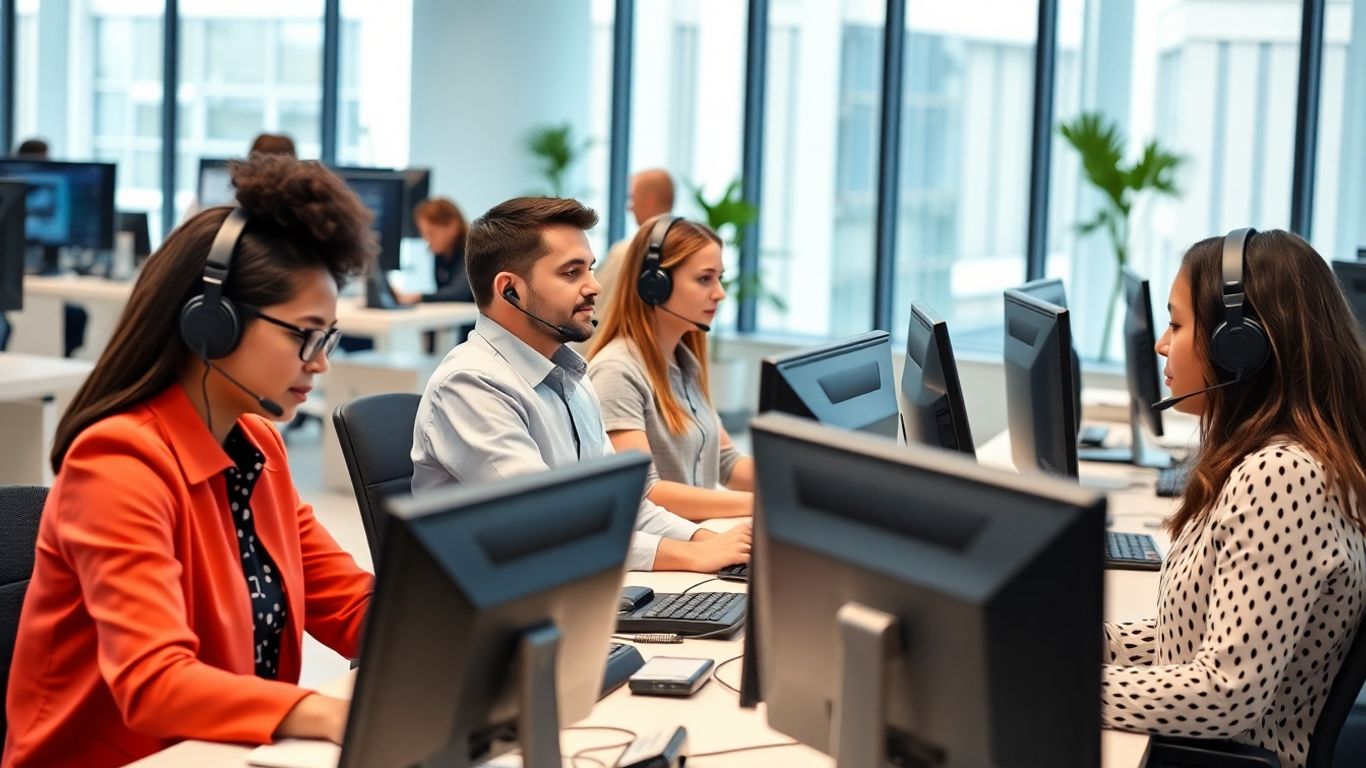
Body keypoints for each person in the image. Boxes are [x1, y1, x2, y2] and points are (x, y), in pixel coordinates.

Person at [4, 155, 376, 767]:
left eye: (328, 338)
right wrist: (330, 713)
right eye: (304, 334)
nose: (320, 363)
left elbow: (349, 603)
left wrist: (469, 641)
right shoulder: (117, 462)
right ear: (211, 325)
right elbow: (154, 680)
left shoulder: (256, 445)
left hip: (222, 754)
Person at [1101, 229, 1366, 768]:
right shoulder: (1270, 459)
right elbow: (1194, 637)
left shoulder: (1283, 477)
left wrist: (1062, 681)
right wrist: (1072, 641)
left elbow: (1225, 693)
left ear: (1240, 345)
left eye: (1176, 325)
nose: (1161, 344)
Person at [410, 196, 749, 573]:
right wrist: (690, 555)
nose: (595, 287)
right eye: (572, 273)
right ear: (510, 290)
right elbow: (548, 523)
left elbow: (623, 505)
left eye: (590, 269)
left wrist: (705, 541)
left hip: (569, 584)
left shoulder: (571, 376)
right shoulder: (471, 384)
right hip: (497, 612)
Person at [587, 215, 753, 521]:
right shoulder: (617, 372)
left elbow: (725, 461)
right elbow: (644, 491)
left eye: (719, 278)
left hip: (704, 541)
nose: (720, 293)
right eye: (705, 279)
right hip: (667, 556)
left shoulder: (685, 362)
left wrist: (796, 486)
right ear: (654, 285)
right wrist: (761, 505)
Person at [595, 169, 674, 328]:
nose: (628, 208)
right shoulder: (687, 249)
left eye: (632, 198)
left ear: (649, 200)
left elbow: (600, 309)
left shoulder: (626, 252)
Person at [394, 197, 473, 305]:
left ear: (452, 226)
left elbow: (459, 293)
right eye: (424, 233)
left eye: (431, 233)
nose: (427, 240)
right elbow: (443, 291)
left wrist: (418, 297)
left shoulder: (473, 249)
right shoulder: (442, 253)